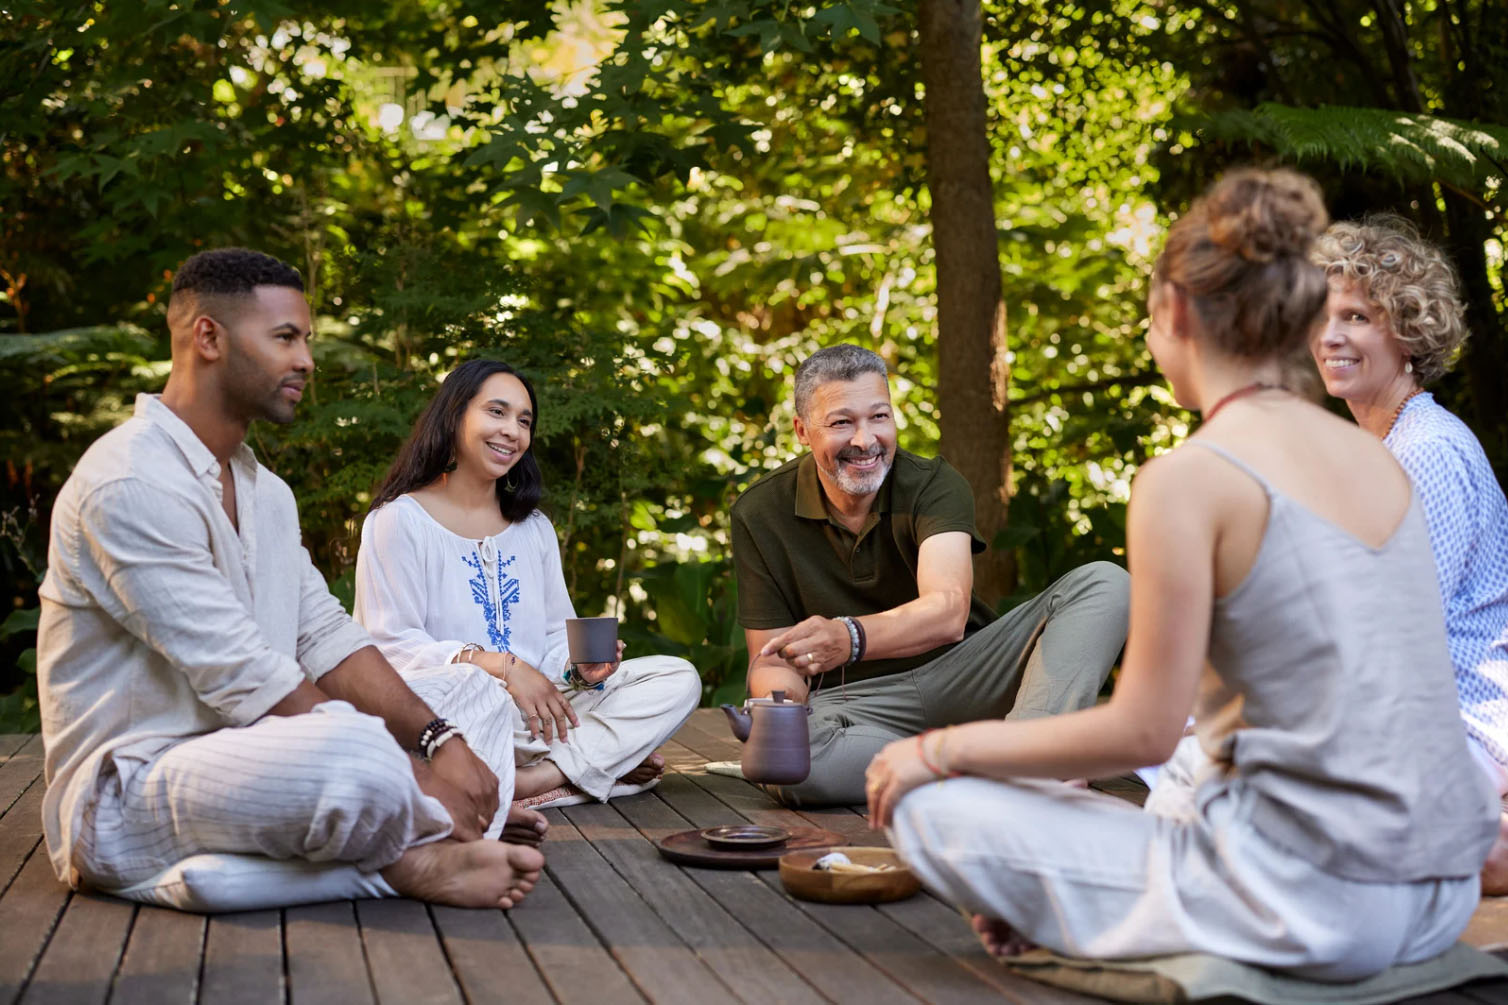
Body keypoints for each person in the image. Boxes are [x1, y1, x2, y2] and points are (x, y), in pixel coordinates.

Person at [869, 169, 1498, 980]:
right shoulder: (1381, 458)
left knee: (927, 797)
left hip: (1317, 908)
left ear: (1173, 311)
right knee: (1093, 787)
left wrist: (939, 749)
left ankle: (1100, 912)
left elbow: (1144, 731)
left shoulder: (1187, 476)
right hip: (1435, 895)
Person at [36, 249, 545, 912]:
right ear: (208, 338)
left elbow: (325, 634)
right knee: (351, 749)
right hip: (132, 789)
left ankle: (381, 830)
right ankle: (407, 857)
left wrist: (439, 742)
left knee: (467, 693)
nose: (306, 359)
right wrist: (420, 779)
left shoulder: (265, 492)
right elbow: (242, 673)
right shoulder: (130, 481)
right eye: (285, 337)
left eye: (305, 339)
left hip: (260, 757)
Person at [729, 343, 1129, 806]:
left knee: (1105, 582)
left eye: (879, 417)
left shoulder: (934, 485)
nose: (865, 440)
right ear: (802, 430)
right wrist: (781, 716)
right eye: (842, 422)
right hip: (857, 706)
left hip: (967, 675)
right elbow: (773, 659)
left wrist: (850, 638)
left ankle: (1020, 750)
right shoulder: (759, 512)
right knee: (794, 766)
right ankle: (999, 763)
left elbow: (947, 613)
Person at [354, 359, 701, 809]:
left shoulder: (532, 527)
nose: (513, 432)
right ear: (455, 416)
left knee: (677, 677)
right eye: (496, 412)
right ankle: (595, 762)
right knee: (478, 695)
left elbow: (555, 635)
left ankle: (538, 777)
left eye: (524, 421)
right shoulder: (398, 521)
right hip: (458, 714)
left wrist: (580, 670)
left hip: (539, 716)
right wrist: (502, 668)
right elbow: (388, 646)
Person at [1309, 215, 1508, 892]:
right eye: (1321, 316)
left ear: (1408, 331)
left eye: (1358, 316)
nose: (1330, 336)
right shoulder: (1377, 452)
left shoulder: (1427, 451)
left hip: (1455, 720)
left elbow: (1394, 631)